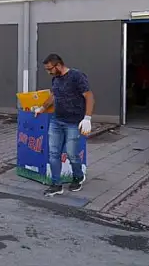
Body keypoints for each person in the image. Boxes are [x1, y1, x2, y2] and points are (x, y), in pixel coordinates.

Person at [33, 53, 95, 197]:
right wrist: (42, 108)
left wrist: (87, 118)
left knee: (72, 154)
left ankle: (78, 176)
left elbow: (89, 96)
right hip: (56, 120)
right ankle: (56, 184)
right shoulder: (56, 78)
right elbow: (53, 95)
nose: (48, 72)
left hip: (73, 122)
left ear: (58, 65)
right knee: (53, 153)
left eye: (50, 69)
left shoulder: (77, 76)